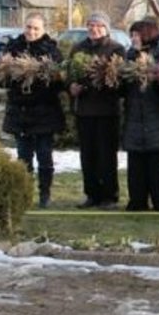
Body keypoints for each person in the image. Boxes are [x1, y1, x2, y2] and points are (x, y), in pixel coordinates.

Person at [1, 12, 65, 208]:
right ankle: (25, 193)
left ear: (43, 30)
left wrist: (46, 76)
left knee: (45, 156)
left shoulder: (51, 51)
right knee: (23, 157)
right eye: (28, 27)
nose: (31, 31)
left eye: (36, 28)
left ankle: (45, 194)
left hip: (44, 111)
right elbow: (2, 80)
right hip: (20, 112)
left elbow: (59, 83)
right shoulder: (13, 48)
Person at [68, 11, 126, 209]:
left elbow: (119, 83)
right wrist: (72, 87)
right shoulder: (78, 49)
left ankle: (109, 195)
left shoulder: (116, 50)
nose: (94, 29)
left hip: (107, 111)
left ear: (106, 28)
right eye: (91, 25)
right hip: (84, 110)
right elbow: (69, 74)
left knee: (106, 156)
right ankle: (91, 194)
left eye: (98, 25)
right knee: (88, 155)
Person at [121, 18, 159, 212]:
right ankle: (137, 201)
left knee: (157, 165)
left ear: (146, 35)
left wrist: (157, 78)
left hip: (156, 118)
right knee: (135, 166)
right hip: (134, 117)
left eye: (136, 35)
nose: (133, 38)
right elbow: (123, 87)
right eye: (132, 35)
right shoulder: (129, 56)